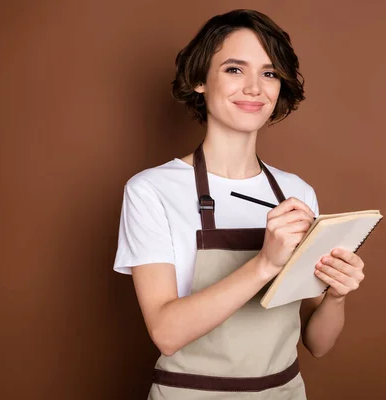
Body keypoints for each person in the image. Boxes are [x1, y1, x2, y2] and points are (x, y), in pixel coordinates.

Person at [113, 9, 366, 399]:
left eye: (268, 73)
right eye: (234, 69)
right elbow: (166, 333)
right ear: (199, 80)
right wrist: (265, 263)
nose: (254, 88)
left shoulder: (295, 193)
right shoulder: (151, 191)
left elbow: (318, 343)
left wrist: (337, 295)